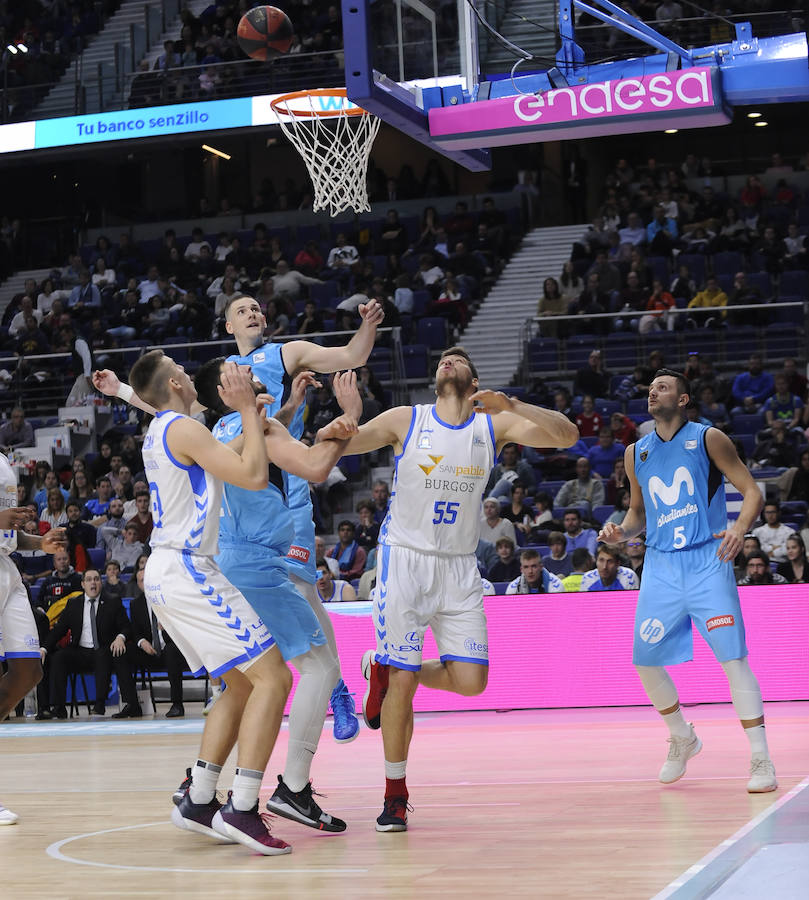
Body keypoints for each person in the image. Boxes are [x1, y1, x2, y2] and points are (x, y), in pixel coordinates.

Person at [96, 293, 384, 745]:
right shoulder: (220, 376)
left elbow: (350, 356)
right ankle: (240, 700)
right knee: (247, 608)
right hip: (234, 509)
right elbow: (177, 415)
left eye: (256, 308)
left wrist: (367, 325)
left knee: (302, 589)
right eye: (241, 310)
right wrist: (123, 392)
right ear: (228, 325)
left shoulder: (285, 353)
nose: (252, 313)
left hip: (281, 492)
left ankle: (335, 687)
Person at [344, 346, 578, 831]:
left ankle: (381, 667)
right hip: (404, 562)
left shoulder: (492, 423)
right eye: (441, 360)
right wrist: (341, 422)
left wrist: (513, 405)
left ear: (473, 382)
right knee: (405, 686)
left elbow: (567, 435)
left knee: (472, 683)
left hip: (458, 568)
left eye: (458, 359)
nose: (446, 362)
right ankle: (394, 794)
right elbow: (345, 445)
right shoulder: (408, 418)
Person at [125, 351, 292, 854]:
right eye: (180, 366)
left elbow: (226, 457)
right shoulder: (183, 426)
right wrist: (244, 409)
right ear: (176, 382)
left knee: (239, 684)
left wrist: (256, 421)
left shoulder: (164, 429)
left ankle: (199, 799)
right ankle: (241, 808)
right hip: (187, 567)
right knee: (275, 677)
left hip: (168, 570)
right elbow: (253, 476)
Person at [598, 368, 777, 793]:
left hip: (706, 561)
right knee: (644, 660)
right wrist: (622, 533)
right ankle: (682, 735)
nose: (651, 393)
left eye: (662, 387)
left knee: (733, 659)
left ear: (681, 399)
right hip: (660, 566)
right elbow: (639, 514)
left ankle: (760, 758)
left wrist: (739, 528)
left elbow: (753, 492)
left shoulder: (708, 438)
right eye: (649, 388)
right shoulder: (635, 452)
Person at [0, 486, 65, 824]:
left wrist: (38, 543)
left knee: (29, 671)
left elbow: (7, 535)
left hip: (6, 568)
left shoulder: (4, 462)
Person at [39, 567, 142, 720]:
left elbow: (126, 627)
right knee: (59, 657)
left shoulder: (112, 601)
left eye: (96, 579)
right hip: (80, 651)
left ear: (101, 583)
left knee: (102, 654)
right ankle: (58, 707)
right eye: (89, 580)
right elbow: (58, 630)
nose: (93, 583)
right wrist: (44, 649)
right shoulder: (73, 604)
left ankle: (99, 704)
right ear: (82, 584)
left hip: (105, 650)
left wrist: (120, 637)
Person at [125, 566, 191, 718]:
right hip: (150, 653)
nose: (146, 583)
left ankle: (177, 704)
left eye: (148, 579)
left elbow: (182, 629)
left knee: (171, 650)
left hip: (172, 650)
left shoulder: (168, 599)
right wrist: (142, 642)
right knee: (125, 653)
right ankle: (132, 705)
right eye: (142, 581)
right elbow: (135, 632)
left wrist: (165, 629)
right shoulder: (136, 604)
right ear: (139, 584)